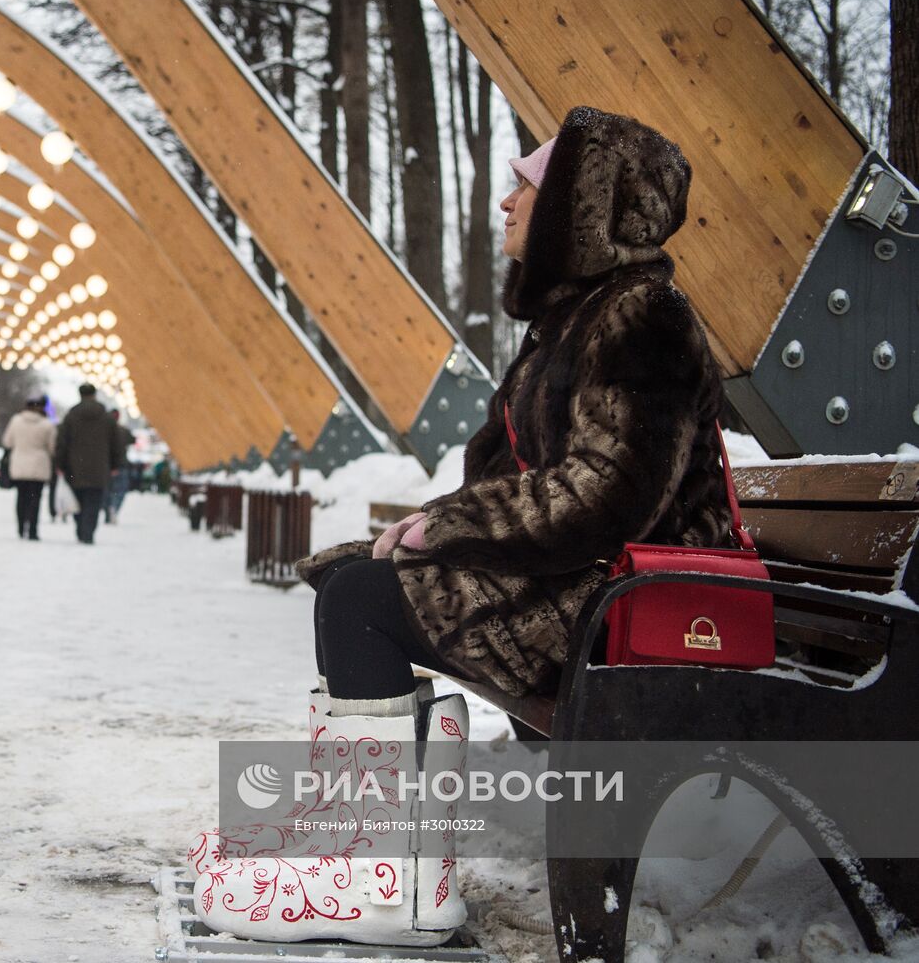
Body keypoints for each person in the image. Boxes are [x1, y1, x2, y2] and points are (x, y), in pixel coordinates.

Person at [191, 107, 733, 946]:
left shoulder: (641, 317)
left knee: (360, 601)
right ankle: (372, 848)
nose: (509, 204)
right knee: (350, 585)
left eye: (529, 188)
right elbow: (510, 477)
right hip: (588, 582)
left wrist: (448, 530)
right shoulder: (574, 320)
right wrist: (443, 524)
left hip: (633, 600)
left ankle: (386, 878)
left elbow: (609, 494)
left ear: (581, 210)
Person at [54, 384, 126, 545]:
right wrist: (115, 465)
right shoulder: (107, 418)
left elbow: (62, 442)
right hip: (99, 467)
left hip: (75, 467)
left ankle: (81, 529)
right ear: (94, 395)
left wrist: (60, 463)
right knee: (94, 501)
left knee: (78, 499)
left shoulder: (71, 416)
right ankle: (88, 532)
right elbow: (116, 443)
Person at [1, 395, 57, 540]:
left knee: (21, 498)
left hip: (19, 464)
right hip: (39, 466)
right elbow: (53, 448)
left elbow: (7, 441)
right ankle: (33, 531)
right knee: (35, 499)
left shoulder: (16, 420)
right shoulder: (47, 424)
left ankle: (20, 528)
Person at [103, 409, 133, 524]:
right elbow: (132, 439)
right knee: (120, 490)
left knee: (107, 491)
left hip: (106, 465)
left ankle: (108, 510)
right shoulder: (123, 431)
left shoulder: (103, 431)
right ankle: (114, 508)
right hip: (121, 465)